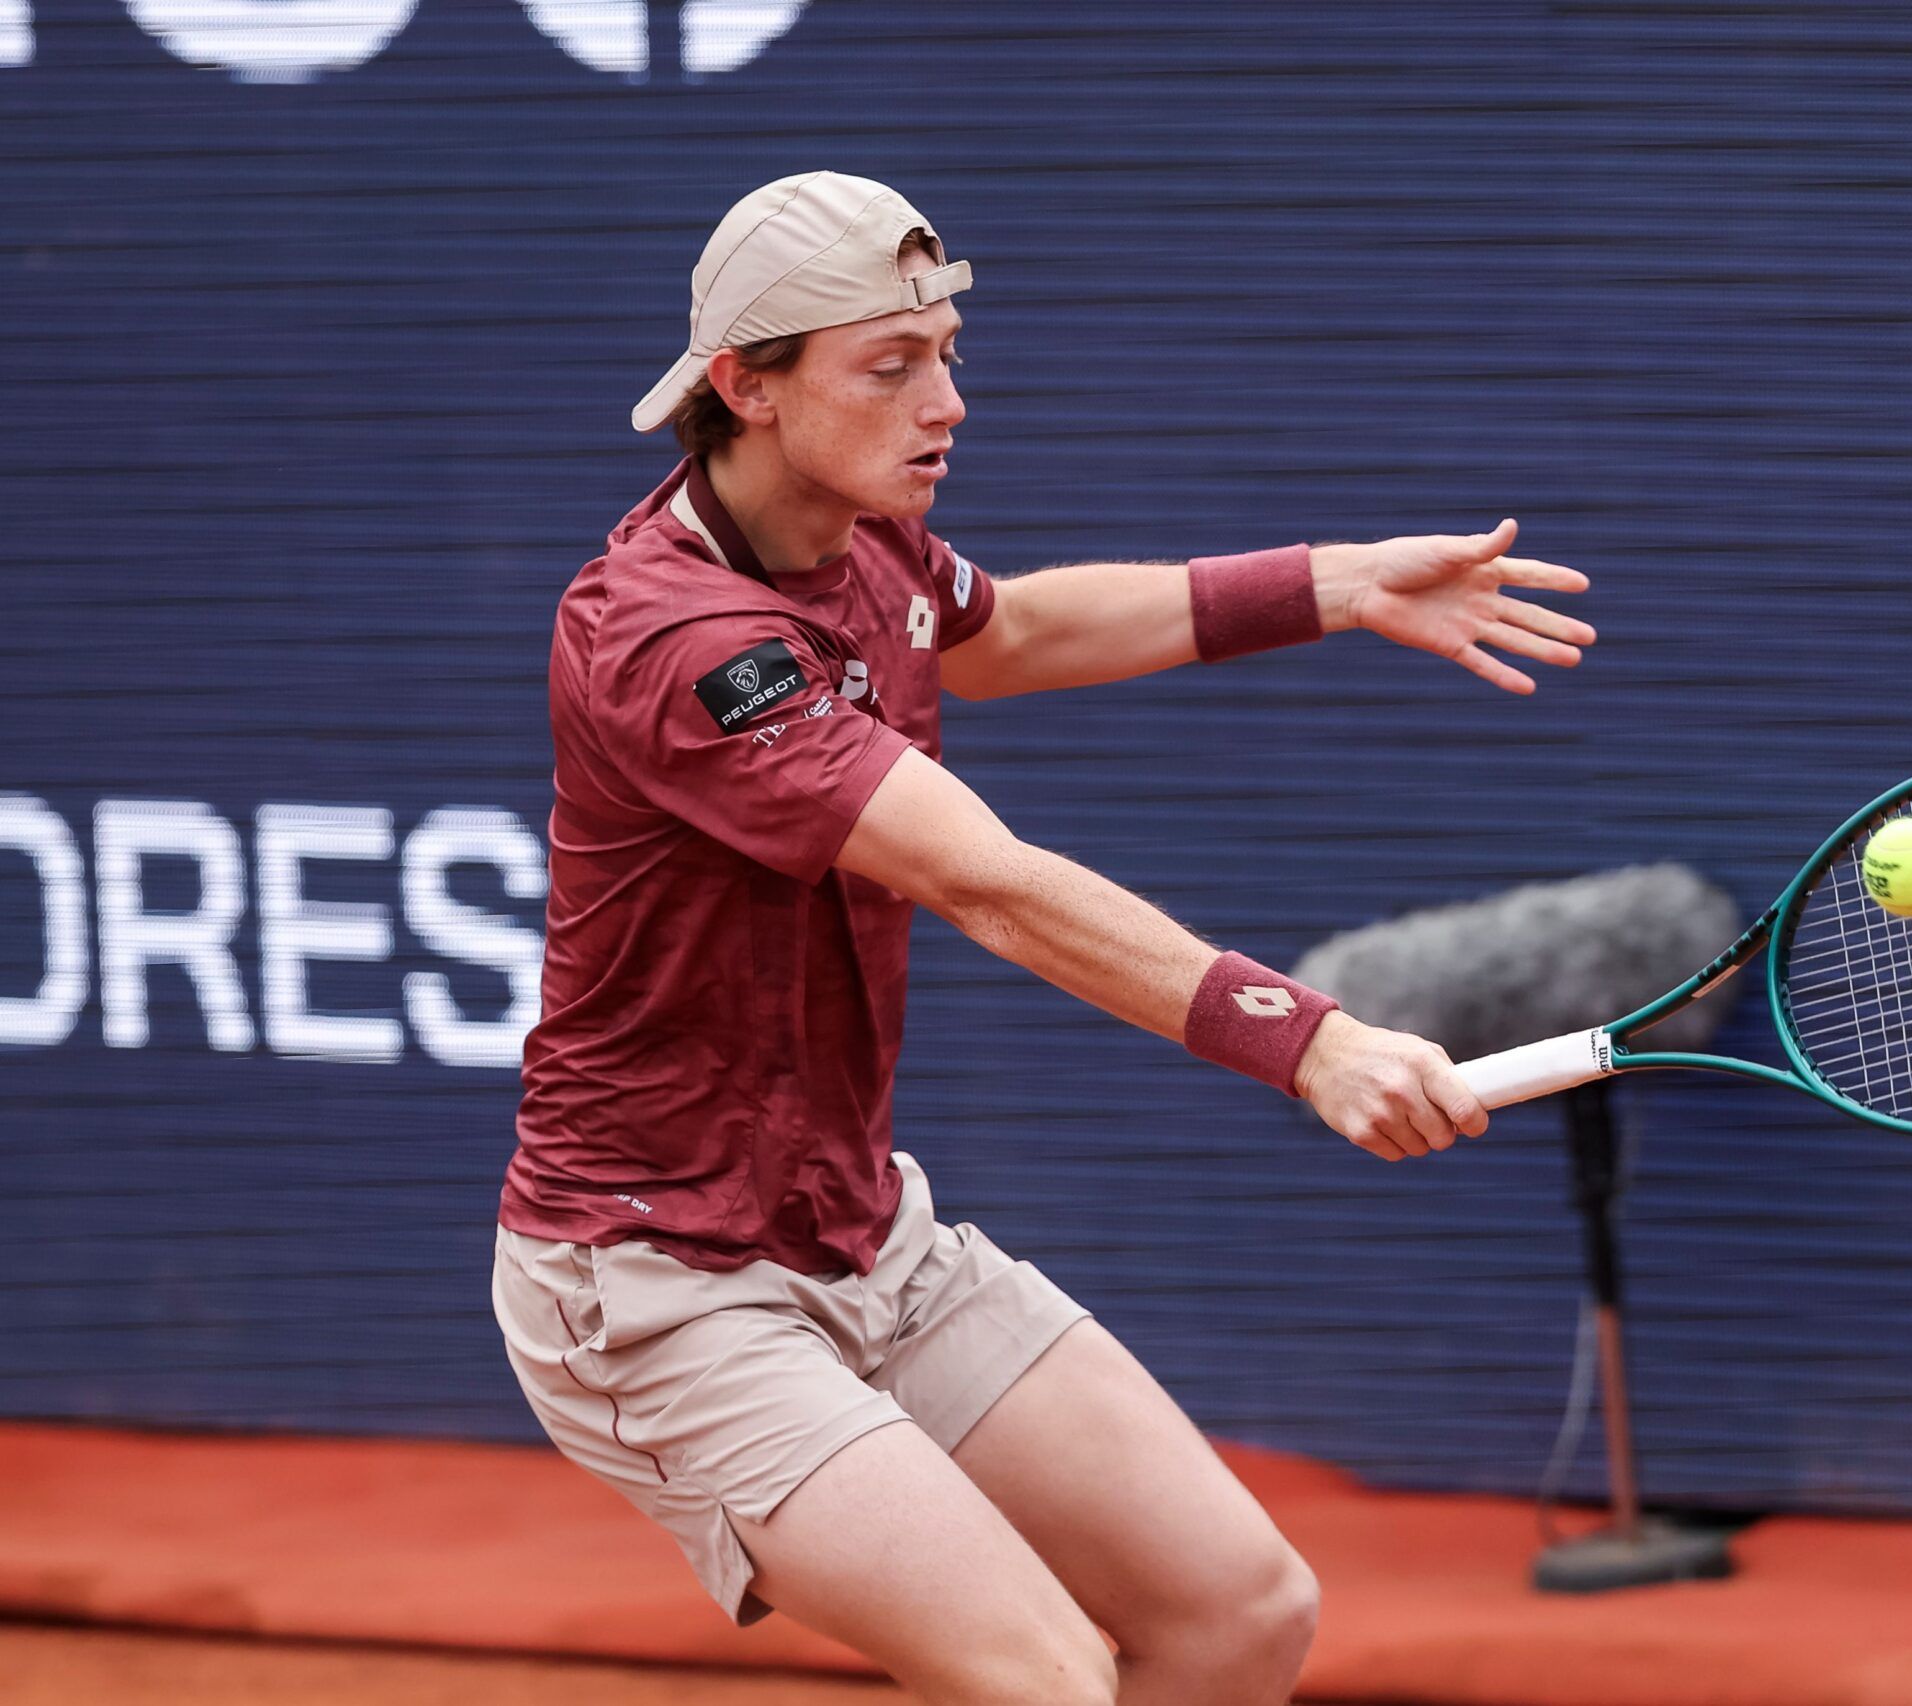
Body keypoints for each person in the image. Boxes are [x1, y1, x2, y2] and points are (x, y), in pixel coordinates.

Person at [490, 171, 1596, 1706]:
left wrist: (1331, 585)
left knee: (1239, 1610)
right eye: (889, 367)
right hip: (660, 1282)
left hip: (866, 1234)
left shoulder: (861, 532)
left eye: (945, 349)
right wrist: (1308, 1037)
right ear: (745, 386)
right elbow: (992, 884)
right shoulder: (680, 642)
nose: (945, 400)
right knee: (1051, 1680)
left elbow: (1008, 635)